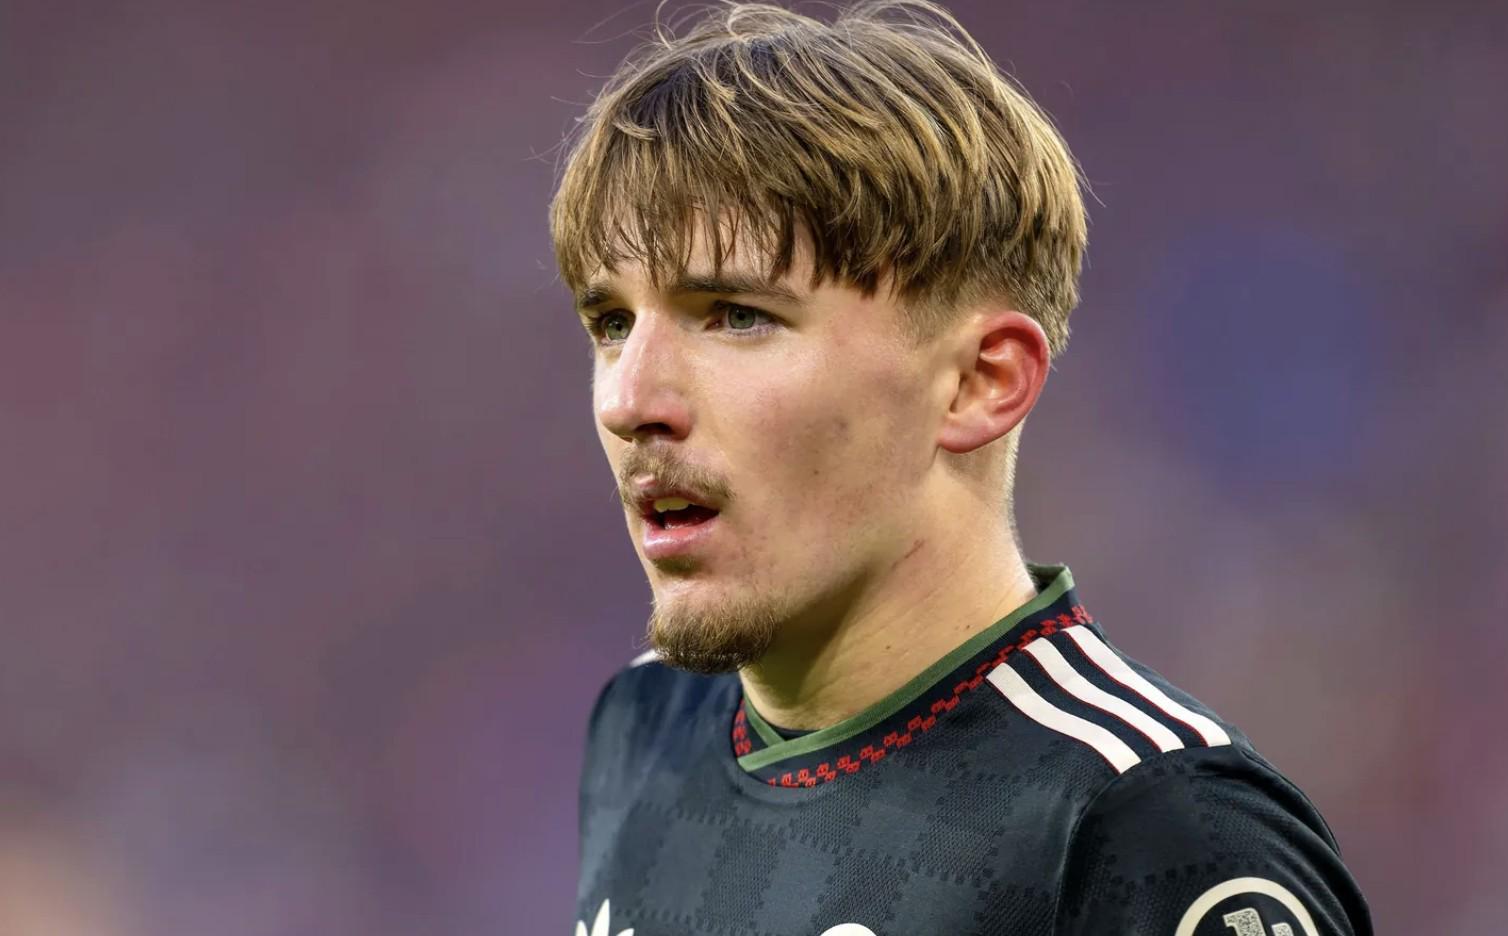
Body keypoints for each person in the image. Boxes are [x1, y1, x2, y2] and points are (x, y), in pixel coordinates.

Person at [550, 2, 1372, 933]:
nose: (628, 400)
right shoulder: (642, 725)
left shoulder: (1152, 834)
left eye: (737, 315)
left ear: (980, 383)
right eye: (611, 323)